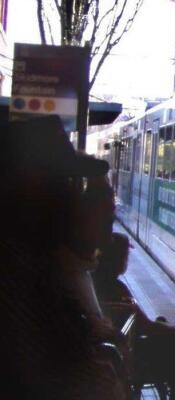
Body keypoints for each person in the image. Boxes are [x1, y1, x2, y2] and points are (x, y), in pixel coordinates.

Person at [0, 116, 127, 399]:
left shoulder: (37, 262)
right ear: (30, 187)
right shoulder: (19, 272)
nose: (73, 194)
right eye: (64, 181)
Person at [94, 232, 175, 400]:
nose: (127, 261)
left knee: (165, 325)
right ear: (118, 260)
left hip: (119, 350)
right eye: (126, 257)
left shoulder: (93, 280)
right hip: (132, 360)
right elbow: (147, 327)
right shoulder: (117, 290)